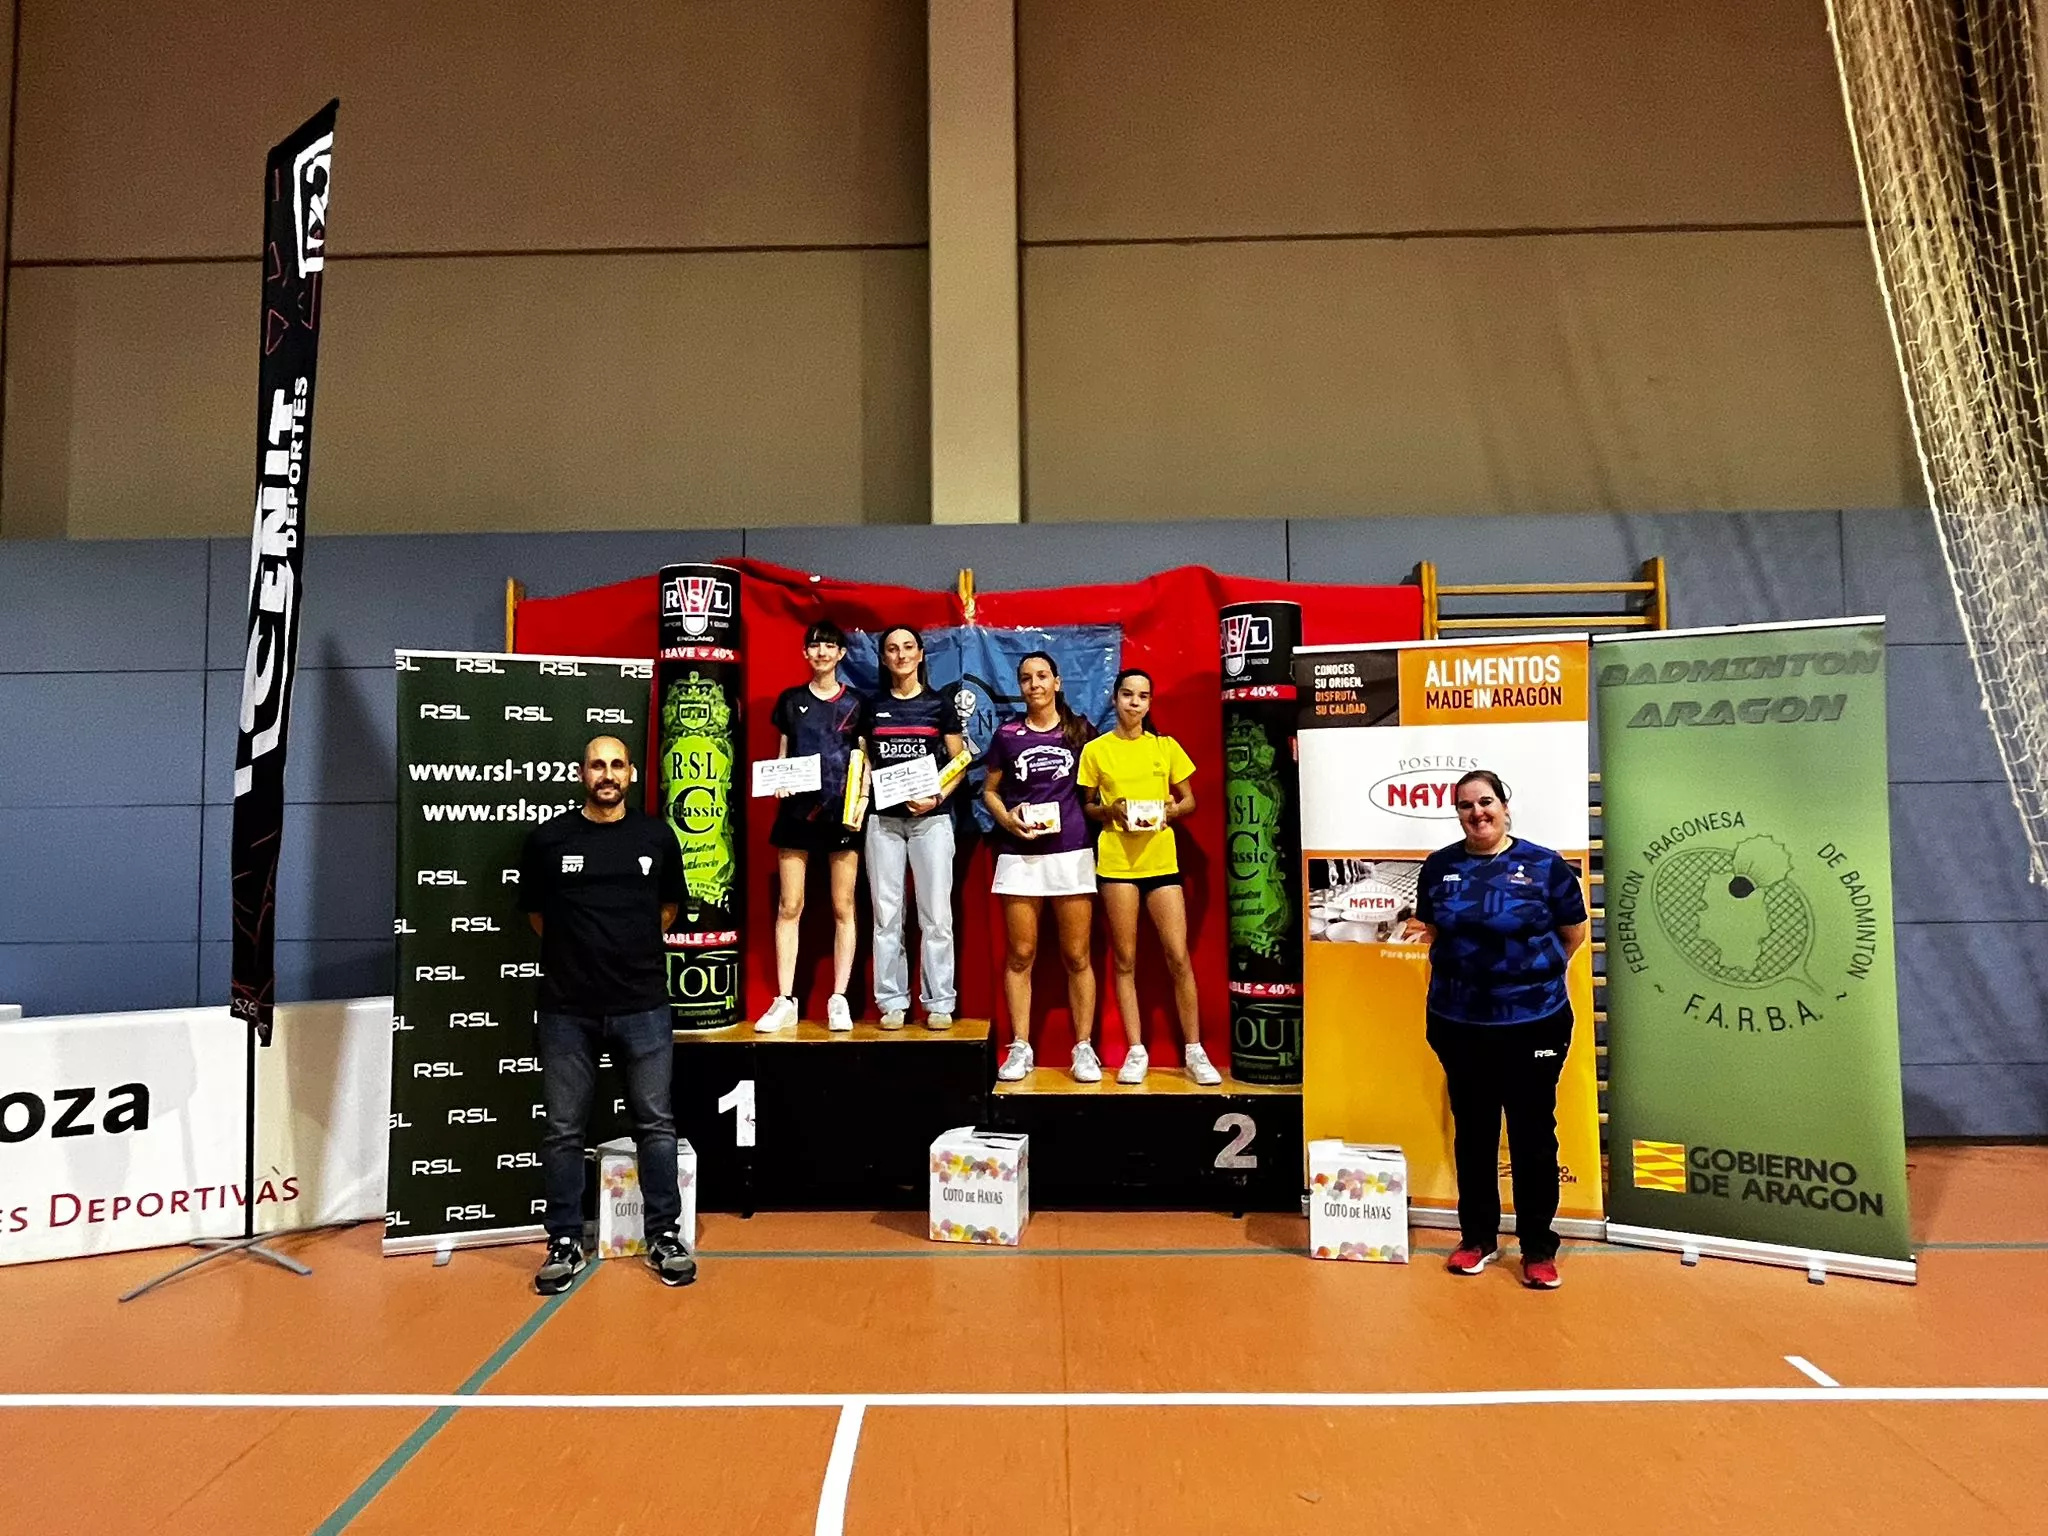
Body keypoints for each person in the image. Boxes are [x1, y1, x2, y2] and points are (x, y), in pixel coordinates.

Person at [516, 735, 696, 1293]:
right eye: (597, 764)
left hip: (642, 1005)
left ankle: (664, 1236)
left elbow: (667, 910)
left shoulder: (655, 836)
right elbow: (538, 916)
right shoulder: (548, 840)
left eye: (617, 764)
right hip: (567, 1010)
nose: (607, 773)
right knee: (564, 1132)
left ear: (632, 774)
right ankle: (564, 1242)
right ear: (582, 774)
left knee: (656, 1127)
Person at [1405, 768, 1589, 1290]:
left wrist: (1527, 979)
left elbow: (1571, 935)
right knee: (1475, 1133)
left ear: (1505, 807)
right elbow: (1436, 929)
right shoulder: (1439, 868)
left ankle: (1537, 1248)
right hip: (1459, 1023)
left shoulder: (1545, 866)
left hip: (1534, 1024)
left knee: (1533, 1136)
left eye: (1485, 802)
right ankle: (1477, 1239)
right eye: (1465, 806)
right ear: (1457, 813)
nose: (1476, 813)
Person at [1079, 668, 1221, 1086]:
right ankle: (1135, 1050)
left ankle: (1195, 1051)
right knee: (1125, 961)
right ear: (1115, 699)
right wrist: (1110, 810)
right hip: (1117, 866)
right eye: (1127, 695)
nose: (1134, 703)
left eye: (1142, 696)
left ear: (1149, 703)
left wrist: (1172, 811)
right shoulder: (1096, 751)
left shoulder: (1166, 747)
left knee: (1179, 957)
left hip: (1162, 864)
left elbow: (1189, 800)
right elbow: (1087, 806)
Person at [982, 651, 1100, 1083]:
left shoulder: (1080, 731)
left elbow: (1099, 785)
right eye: (1027, 678)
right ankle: (1020, 1047)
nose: (1034, 684)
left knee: (1076, 955)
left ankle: (1084, 1048)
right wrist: (1007, 818)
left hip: (1072, 851)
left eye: (1042, 676)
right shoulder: (1008, 734)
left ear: (1058, 682)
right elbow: (989, 791)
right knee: (1021, 954)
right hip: (1020, 854)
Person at [756, 619, 871, 1033]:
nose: (822, 652)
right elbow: (784, 753)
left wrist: (860, 802)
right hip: (797, 815)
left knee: (844, 907)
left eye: (829, 646)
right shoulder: (790, 700)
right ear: (805, 654)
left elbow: (864, 761)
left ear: (841, 654)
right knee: (791, 906)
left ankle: (838, 998)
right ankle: (785, 999)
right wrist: (778, 781)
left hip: (843, 815)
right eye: (814, 646)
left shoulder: (857, 703)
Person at [864, 625, 968, 1029]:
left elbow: (958, 764)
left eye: (908, 647)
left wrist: (936, 797)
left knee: (936, 916)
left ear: (921, 654)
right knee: (887, 915)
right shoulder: (871, 707)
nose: (901, 655)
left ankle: (940, 1001)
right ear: (885, 658)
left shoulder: (940, 706)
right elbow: (864, 763)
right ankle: (892, 1001)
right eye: (892, 648)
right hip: (883, 821)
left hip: (933, 821)